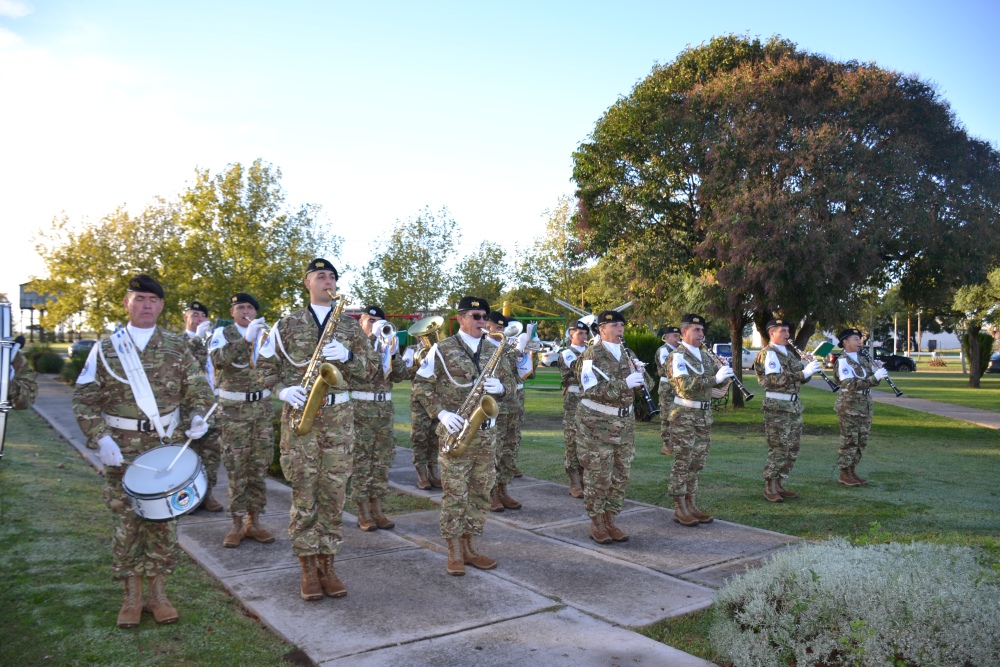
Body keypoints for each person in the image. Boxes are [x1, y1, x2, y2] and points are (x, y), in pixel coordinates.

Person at [73, 274, 215, 628]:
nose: (147, 305)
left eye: (153, 300)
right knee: (127, 522)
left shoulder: (177, 346)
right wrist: (100, 438)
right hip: (122, 451)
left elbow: (199, 389)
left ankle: (158, 595)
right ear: (127, 303)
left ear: (162, 305)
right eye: (139, 299)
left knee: (164, 523)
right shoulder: (106, 349)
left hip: (166, 448)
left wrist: (199, 416)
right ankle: (131, 597)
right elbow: (84, 399)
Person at [255, 259, 378, 601]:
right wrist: (280, 389)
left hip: (339, 422)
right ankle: (308, 568)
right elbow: (263, 366)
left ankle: (329, 564)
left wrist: (349, 356)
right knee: (305, 495)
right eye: (320, 276)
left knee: (334, 495)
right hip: (302, 423)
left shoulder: (351, 328)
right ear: (307, 283)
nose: (328, 281)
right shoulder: (288, 323)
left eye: (332, 277)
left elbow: (369, 370)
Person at [411, 296, 514, 576]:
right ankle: (454, 551)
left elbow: (512, 388)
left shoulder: (495, 348)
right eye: (476, 316)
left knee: (480, 493)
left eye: (484, 317)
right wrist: (441, 413)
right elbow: (421, 386)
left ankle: (470, 547)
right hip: (456, 433)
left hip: (486, 433)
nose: (483, 322)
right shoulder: (441, 350)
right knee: (456, 493)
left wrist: (502, 387)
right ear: (460, 318)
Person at [575, 310, 651, 544]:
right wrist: (623, 384)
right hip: (596, 424)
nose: (621, 329)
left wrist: (642, 375)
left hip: (624, 424)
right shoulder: (591, 354)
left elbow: (646, 386)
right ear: (602, 329)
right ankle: (596, 522)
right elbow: (590, 389)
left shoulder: (628, 354)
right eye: (615, 325)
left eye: (622, 325)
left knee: (620, 475)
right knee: (599, 476)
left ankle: (610, 519)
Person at [209, 292, 276, 548]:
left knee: (258, 468)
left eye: (250, 307)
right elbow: (217, 360)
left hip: (261, 410)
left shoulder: (266, 336)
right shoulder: (222, 335)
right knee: (237, 468)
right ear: (232, 312)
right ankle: (236, 524)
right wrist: (244, 341)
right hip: (233, 412)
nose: (246, 311)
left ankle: (254, 522)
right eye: (240, 308)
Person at [667, 313, 734, 527]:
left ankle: (691, 503)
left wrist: (725, 374)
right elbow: (683, 384)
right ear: (684, 332)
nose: (701, 334)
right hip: (685, 415)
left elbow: (715, 385)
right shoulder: (677, 356)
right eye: (696, 330)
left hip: (704, 415)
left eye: (702, 330)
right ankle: (679, 507)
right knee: (683, 461)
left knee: (697, 462)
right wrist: (716, 378)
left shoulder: (705, 355)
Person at [350, 305, 409, 531]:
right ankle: (363, 511)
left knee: (382, 461)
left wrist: (393, 353)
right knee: (361, 461)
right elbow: (356, 371)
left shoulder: (387, 343)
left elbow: (401, 375)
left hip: (384, 409)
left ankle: (378, 509)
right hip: (360, 407)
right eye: (371, 320)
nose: (376, 324)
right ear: (361, 323)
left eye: (379, 321)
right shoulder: (353, 346)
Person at [753, 318, 822, 502]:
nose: (787, 334)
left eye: (787, 330)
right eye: (782, 331)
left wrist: (809, 368)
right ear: (771, 333)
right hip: (778, 407)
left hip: (793, 406)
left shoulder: (790, 353)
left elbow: (801, 378)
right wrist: (803, 373)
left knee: (792, 447)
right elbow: (776, 379)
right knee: (778, 447)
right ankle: (770, 486)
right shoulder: (769, 354)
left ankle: (780, 483)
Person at [182, 300, 223, 512]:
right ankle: (187, 499)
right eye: (194, 315)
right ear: (185, 318)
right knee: (187, 454)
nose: (199, 319)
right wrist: (197, 338)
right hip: (188, 406)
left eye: (202, 316)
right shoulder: (179, 341)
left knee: (211, 454)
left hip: (211, 405)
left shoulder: (211, 342)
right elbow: (183, 360)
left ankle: (208, 495)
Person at [833, 328, 887, 486]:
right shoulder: (843, 361)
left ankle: (852, 469)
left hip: (864, 405)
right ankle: (844, 472)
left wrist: (877, 373)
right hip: (849, 406)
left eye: (860, 339)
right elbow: (849, 384)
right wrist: (873, 379)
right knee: (849, 440)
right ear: (845, 342)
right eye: (856, 339)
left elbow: (870, 380)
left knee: (861, 441)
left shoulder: (862, 359)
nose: (859, 342)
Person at [484, 311, 523, 512]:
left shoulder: (507, 348)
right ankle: (490, 493)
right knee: (494, 451)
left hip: (512, 406)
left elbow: (517, 375)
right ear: (487, 326)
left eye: (502, 328)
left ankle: (502, 489)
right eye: (497, 327)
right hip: (494, 408)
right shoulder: (481, 348)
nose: (500, 331)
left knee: (509, 450)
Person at [557, 320, 590, 498]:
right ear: (571, 335)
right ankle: (574, 481)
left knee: (588, 437)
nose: (584, 337)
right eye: (580, 334)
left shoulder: (590, 352)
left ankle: (586, 478)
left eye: (585, 334)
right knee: (572, 438)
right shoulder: (567, 353)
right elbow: (578, 369)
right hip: (574, 398)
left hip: (590, 398)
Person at [655, 325, 681, 456]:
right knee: (666, 416)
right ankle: (666, 445)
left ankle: (676, 443)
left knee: (678, 415)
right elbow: (668, 367)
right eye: (675, 336)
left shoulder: (680, 350)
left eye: (679, 335)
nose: (678, 338)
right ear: (667, 337)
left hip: (678, 386)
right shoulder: (664, 350)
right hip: (667, 386)